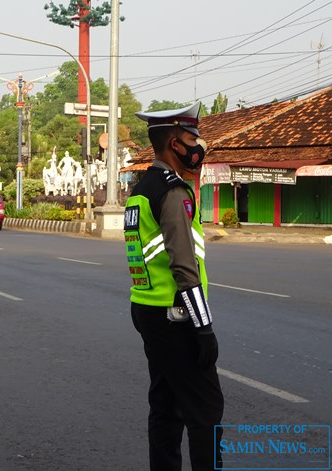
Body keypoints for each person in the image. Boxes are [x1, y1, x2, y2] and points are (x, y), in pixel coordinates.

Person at [124, 102, 223, 471]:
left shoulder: (140, 188)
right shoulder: (172, 192)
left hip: (147, 309)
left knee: (165, 407)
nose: (199, 145)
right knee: (206, 412)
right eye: (192, 137)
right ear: (172, 143)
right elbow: (184, 266)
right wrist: (204, 328)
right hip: (176, 315)